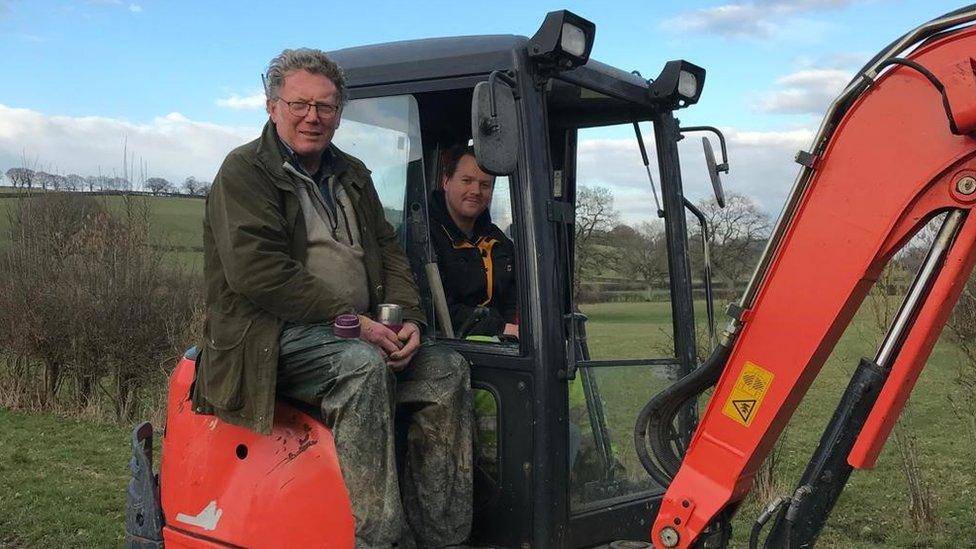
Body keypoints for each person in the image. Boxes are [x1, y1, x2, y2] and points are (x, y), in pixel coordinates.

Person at [191, 48, 472, 549]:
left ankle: (442, 537)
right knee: (361, 367)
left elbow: (388, 250)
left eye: (325, 106)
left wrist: (409, 319)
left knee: (445, 371)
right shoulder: (244, 172)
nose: (312, 117)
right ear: (272, 106)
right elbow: (258, 272)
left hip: (346, 330)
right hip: (271, 340)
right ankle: (380, 540)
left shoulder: (353, 174)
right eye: (299, 104)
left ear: (340, 113)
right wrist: (354, 322)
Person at [429, 145, 518, 338]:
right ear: (446, 182)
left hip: (498, 347)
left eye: (484, 185)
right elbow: (435, 311)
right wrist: (499, 328)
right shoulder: (423, 238)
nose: (476, 191)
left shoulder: (500, 243)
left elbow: (515, 298)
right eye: (467, 181)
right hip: (444, 348)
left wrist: (512, 327)